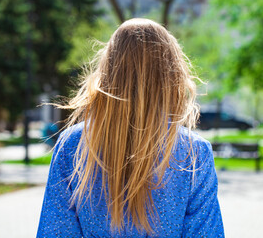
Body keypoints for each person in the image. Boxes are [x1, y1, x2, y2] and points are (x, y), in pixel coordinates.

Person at [37, 18, 224, 237]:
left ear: (108, 73)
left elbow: (55, 231)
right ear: (171, 76)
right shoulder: (193, 153)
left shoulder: (73, 144)